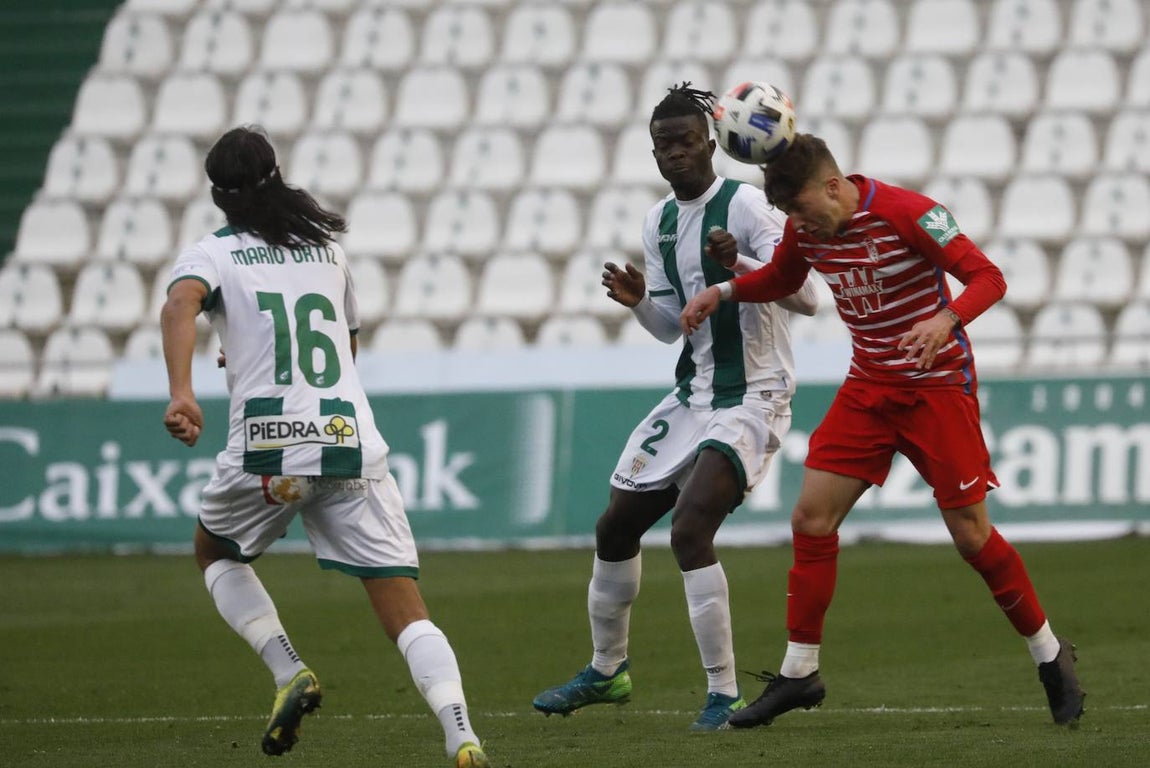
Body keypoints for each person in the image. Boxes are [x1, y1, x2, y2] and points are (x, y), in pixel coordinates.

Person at [680, 133, 1086, 728]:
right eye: (788, 214)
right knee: (810, 520)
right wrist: (726, 289)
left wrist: (946, 319)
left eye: (801, 209)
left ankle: (1051, 656)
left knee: (973, 538)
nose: (797, 224)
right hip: (869, 389)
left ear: (835, 187)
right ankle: (799, 673)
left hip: (937, 390)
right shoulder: (805, 230)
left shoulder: (909, 213)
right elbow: (783, 280)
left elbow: (988, 277)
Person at [160, 126, 490, 767]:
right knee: (405, 608)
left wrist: (183, 391)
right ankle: (461, 733)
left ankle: (290, 671)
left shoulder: (214, 252)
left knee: (215, 552)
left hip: (267, 452)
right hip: (348, 441)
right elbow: (344, 347)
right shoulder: (325, 251)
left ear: (217, 196)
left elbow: (179, 307)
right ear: (276, 175)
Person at [531, 84, 819, 731]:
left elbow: (805, 297)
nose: (677, 153)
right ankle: (607, 671)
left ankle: (723, 694)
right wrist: (638, 301)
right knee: (614, 528)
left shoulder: (746, 205)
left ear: (710, 142)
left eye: (687, 140)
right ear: (654, 152)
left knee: (690, 530)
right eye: (665, 145)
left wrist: (738, 261)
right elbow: (671, 329)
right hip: (693, 394)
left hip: (754, 392)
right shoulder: (657, 222)